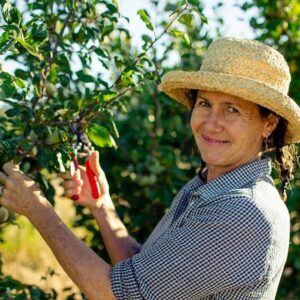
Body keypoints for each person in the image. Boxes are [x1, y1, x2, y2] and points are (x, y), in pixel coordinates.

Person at [0, 37, 299, 300]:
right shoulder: (209, 188)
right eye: (205, 103)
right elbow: (145, 277)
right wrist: (103, 208)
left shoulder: (242, 210)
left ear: (269, 122)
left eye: (232, 109)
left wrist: (38, 209)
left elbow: (116, 294)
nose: (211, 123)